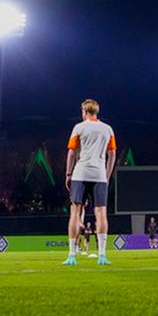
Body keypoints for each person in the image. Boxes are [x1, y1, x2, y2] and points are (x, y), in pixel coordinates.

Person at [63, 99, 117, 266]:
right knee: (101, 213)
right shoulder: (107, 129)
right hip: (99, 175)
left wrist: (68, 174)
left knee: (75, 213)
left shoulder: (79, 127)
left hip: (80, 173)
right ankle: (102, 255)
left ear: (84, 111)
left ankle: (72, 255)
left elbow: (72, 153)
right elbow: (112, 155)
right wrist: (107, 176)